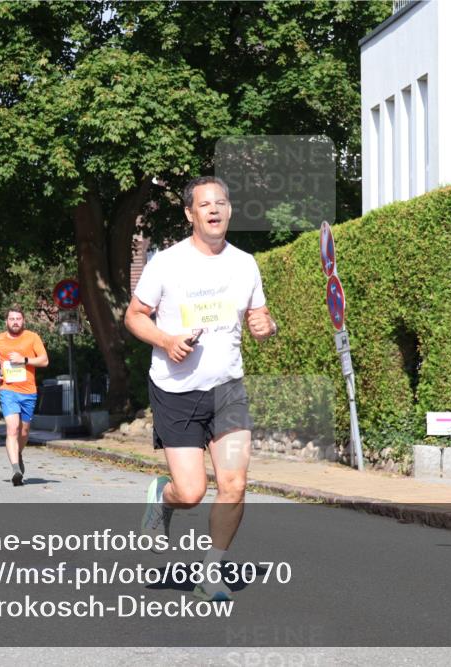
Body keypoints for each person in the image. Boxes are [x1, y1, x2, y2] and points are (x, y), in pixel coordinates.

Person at [124, 175, 278, 602]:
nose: (214, 209)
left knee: (234, 483)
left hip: (227, 387)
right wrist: (167, 341)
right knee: (191, 492)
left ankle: (213, 571)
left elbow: (259, 318)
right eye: (204, 204)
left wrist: (268, 325)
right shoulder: (166, 264)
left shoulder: (245, 263)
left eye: (221, 203)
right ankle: (163, 495)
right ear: (190, 213)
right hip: (176, 390)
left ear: (229, 211)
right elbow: (134, 316)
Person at [0, 305, 48, 486]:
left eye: (18, 319)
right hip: (8, 390)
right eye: (12, 319)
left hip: (28, 392)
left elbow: (44, 360)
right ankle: (15, 470)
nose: (15, 322)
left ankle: (17, 453)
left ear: (23, 321)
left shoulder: (32, 337)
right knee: (12, 428)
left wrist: (24, 360)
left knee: (24, 431)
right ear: (7, 321)